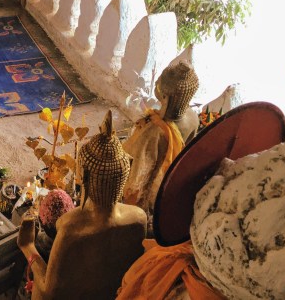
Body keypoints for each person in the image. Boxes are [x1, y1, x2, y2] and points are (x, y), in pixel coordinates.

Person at [17, 111, 146, 299]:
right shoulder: (138, 218)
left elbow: (48, 291)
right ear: (126, 170)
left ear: (83, 175)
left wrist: (27, 246)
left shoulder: (72, 230)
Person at [122, 63, 200, 220]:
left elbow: (139, 171)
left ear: (166, 97)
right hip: (169, 183)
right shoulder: (193, 117)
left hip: (151, 186)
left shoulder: (155, 131)